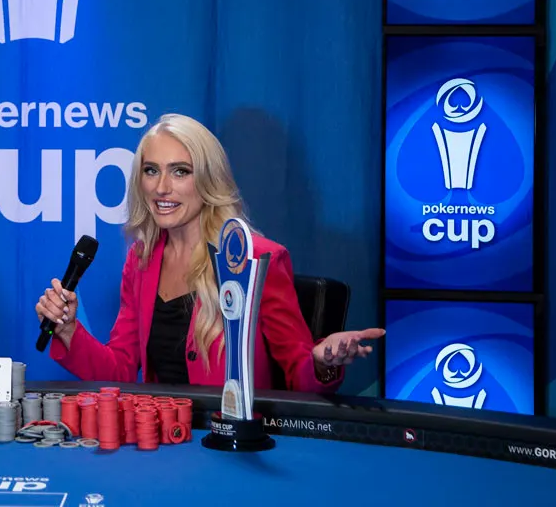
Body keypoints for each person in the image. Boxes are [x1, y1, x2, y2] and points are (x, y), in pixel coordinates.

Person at [34, 114, 384, 391]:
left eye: (180, 172)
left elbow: (298, 374)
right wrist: (68, 331)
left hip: (231, 446)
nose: (161, 187)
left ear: (208, 179)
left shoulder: (257, 259)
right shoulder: (141, 260)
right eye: (151, 171)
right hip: (162, 444)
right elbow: (120, 372)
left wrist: (321, 361)